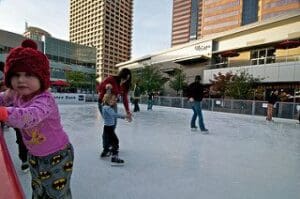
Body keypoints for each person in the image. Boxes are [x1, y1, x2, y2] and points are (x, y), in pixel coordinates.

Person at [0, 39, 74, 198]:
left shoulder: (45, 99)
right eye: (16, 75)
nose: (20, 80)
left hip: (57, 154)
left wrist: (3, 113)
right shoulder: (15, 93)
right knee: (38, 190)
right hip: (34, 153)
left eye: (28, 74)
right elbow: (2, 98)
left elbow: (29, 117)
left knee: (56, 194)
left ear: (41, 77)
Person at [100, 93, 130, 165]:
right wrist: (125, 116)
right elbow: (114, 115)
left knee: (107, 140)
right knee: (115, 141)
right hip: (109, 128)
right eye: (112, 100)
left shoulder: (106, 107)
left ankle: (105, 152)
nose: (114, 101)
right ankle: (114, 157)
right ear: (107, 100)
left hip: (108, 127)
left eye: (114, 100)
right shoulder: (107, 108)